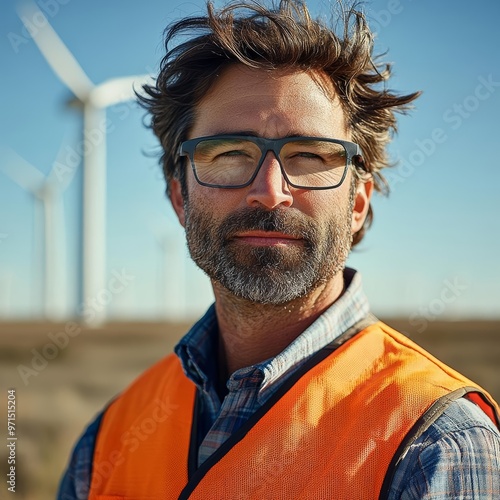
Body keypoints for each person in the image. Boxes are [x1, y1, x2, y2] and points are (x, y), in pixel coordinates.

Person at [58, 1, 500, 498]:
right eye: (229, 153)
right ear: (180, 196)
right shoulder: (108, 439)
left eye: (309, 155)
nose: (270, 191)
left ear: (357, 202)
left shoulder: (436, 443)